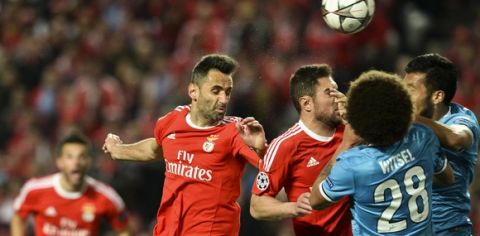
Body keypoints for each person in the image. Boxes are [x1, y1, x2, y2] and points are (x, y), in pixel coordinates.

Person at [102, 54, 267, 235]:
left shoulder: (236, 131)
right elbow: (155, 149)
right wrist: (118, 150)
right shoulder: (173, 120)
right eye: (216, 91)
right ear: (193, 91)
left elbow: (271, 167)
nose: (224, 99)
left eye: (227, 92)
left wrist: (261, 148)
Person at [310, 70, 454, 235]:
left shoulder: (353, 165)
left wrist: (346, 143)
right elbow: (447, 178)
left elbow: (315, 200)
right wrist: (402, 173)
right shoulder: (423, 136)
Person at [250, 64, 352, 235]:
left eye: (336, 90)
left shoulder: (350, 130)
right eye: (329, 92)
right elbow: (257, 205)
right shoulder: (286, 145)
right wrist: (293, 207)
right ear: (307, 103)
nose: (338, 96)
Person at [403, 53, 480, 235]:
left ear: (437, 96)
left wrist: (405, 116)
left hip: (447, 230)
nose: (403, 96)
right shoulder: (404, 124)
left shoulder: (461, 118)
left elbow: (456, 140)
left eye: (411, 89)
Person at [11, 133, 130, 236]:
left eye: (81, 157)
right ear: (59, 162)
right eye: (70, 157)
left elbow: (124, 229)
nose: (76, 163)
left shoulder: (106, 195)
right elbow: (18, 217)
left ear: (88, 162)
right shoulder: (35, 189)